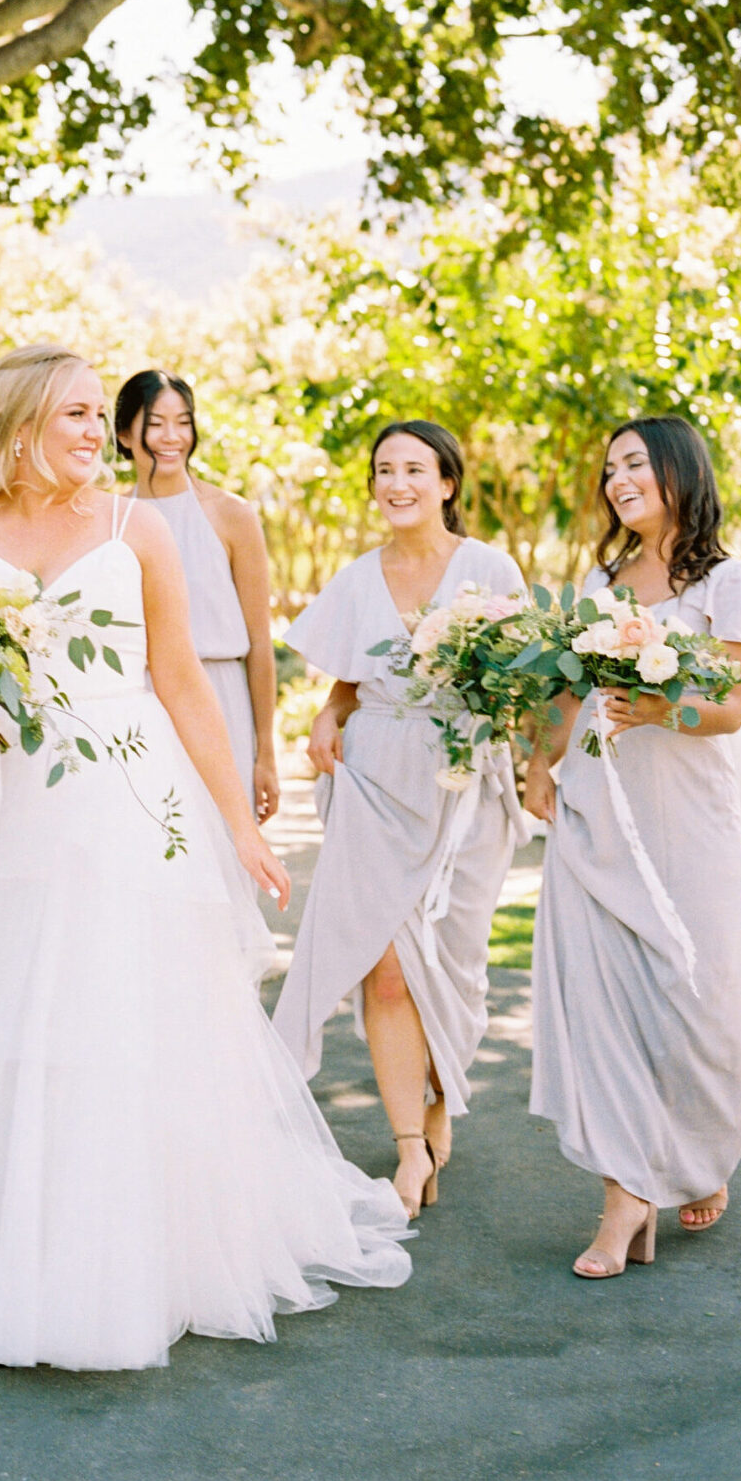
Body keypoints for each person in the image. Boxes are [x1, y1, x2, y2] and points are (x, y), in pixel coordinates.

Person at [0, 345, 412, 1370]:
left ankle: (125, 1256)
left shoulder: (139, 527)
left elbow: (179, 680)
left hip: (124, 799)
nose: (93, 431)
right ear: (20, 422)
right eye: (73, 413)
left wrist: (239, 820)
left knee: (115, 1012)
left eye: (93, 414)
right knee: (2, 1009)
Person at [523, 417, 741, 1278]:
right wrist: (540, 762)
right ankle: (625, 1196)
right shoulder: (601, 577)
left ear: (676, 471)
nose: (617, 477)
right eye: (610, 464)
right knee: (601, 992)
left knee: (695, 986)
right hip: (598, 795)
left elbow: (731, 709)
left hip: (685, 810)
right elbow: (564, 686)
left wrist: (666, 709)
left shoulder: (730, 582)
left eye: (634, 462)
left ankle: (698, 1155)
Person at [272, 422, 528, 1216]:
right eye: (384, 469)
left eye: (415, 468)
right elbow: (351, 676)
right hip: (376, 779)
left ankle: (441, 1099)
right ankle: (409, 1149)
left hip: (461, 789)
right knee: (384, 966)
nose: (398, 482)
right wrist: (329, 711)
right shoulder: (357, 578)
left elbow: (523, 680)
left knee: (454, 969)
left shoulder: (489, 569)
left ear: (447, 482)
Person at [115, 368, 280, 823]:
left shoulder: (231, 516)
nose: (172, 436)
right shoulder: (110, 521)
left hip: (222, 701)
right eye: (155, 422)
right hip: (141, 703)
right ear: (125, 435)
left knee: (226, 844)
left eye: (183, 421)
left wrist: (265, 753)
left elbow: (260, 643)